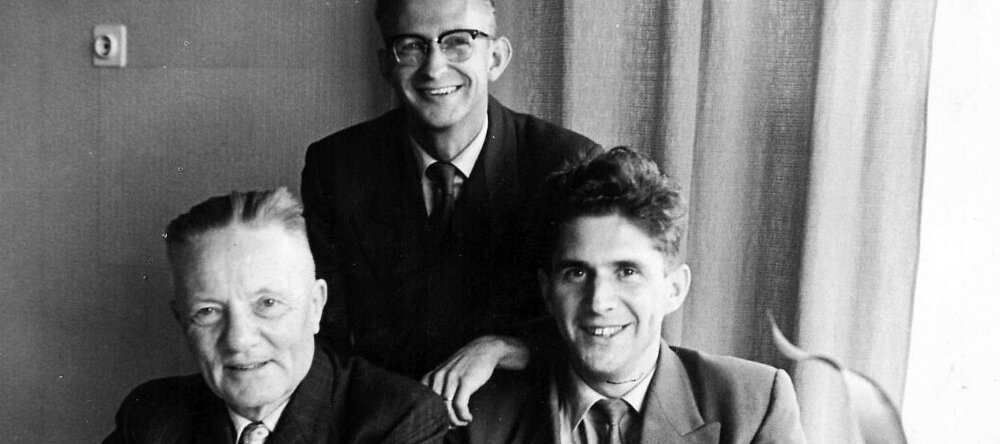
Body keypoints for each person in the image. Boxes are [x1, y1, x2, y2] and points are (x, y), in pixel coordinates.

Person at [300, 0, 601, 425]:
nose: (434, 68)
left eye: (458, 42)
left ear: (495, 57)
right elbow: (322, 334)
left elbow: (601, 322)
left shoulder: (566, 163)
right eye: (412, 46)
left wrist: (502, 348)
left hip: (522, 421)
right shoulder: (337, 167)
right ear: (387, 65)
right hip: (385, 422)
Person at [452, 147, 807, 443]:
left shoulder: (754, 406)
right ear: (547, 292)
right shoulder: (479, 417)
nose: (598, 301)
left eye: (627, 272)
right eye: (577, 273)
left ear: (674, 289)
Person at [104, 188, 449, 444]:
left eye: (267, 304)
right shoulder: (151, 417)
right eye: (207, 312)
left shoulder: (399, 418)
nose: (239, 340)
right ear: (182, 321)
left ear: (315, 306)